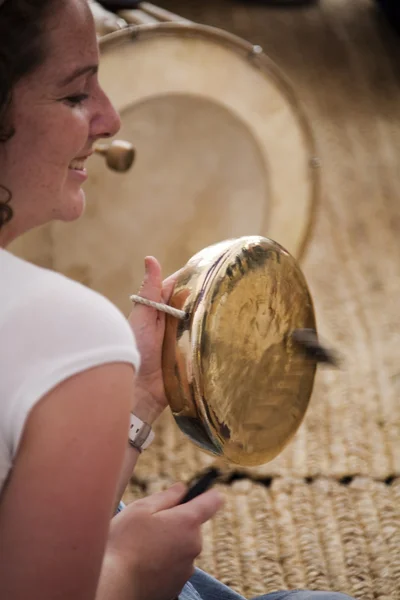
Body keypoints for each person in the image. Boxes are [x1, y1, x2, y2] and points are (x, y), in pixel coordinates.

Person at [0, 1, 355, 599]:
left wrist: (138, 393)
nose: (111, 119)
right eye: (74, 95)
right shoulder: (65, 328)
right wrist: (126, 575)